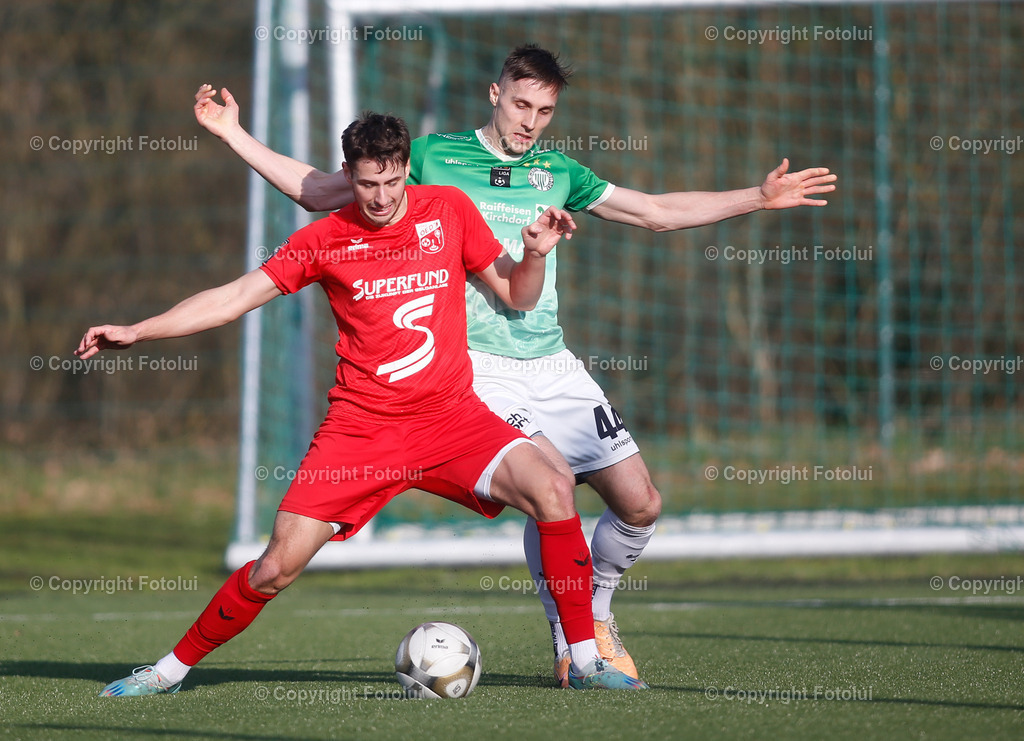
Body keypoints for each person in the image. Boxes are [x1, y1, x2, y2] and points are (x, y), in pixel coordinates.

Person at [193, 44, 837, 687]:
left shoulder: (557, 171)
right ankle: (573, 639)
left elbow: (654, 212)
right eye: (521, 104)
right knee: (548, 486)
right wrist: (233, 134)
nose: (530, 121)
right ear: (495, 94)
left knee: (641, 504)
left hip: (552, 362)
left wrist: (756, 197)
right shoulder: (432, 158)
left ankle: (595, 612)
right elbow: (316, 192)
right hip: (477, 369)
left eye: (544, 111)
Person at [86, 112, 648, 696]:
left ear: (407, 169)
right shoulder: (324, 239)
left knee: (553, 488)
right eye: (366, 184)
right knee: (275, 567)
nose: (380, 197)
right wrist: (139, 330)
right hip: (362, 432)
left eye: (392, 181)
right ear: (348, 175)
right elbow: (234, 297)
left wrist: (533, 255)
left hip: (452, 418)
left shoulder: (449, 209)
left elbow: (516, 295)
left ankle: (585, 661)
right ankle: (168, 670)